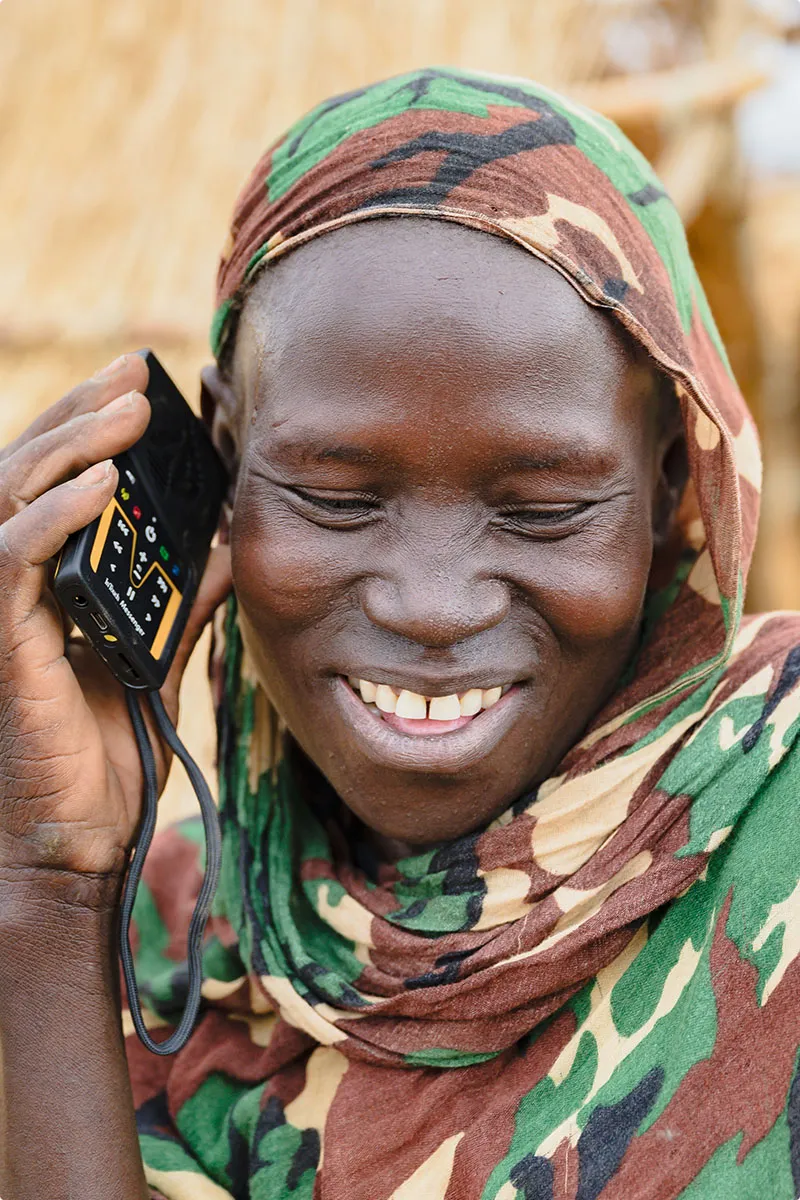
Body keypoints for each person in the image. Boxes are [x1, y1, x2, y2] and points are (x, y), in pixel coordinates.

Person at [0, 66, 797, 1200]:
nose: (430, 605)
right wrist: (52, 889)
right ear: (221, 457)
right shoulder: (158, 944)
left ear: (673, 486)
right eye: (335, 496)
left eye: (540, 510)